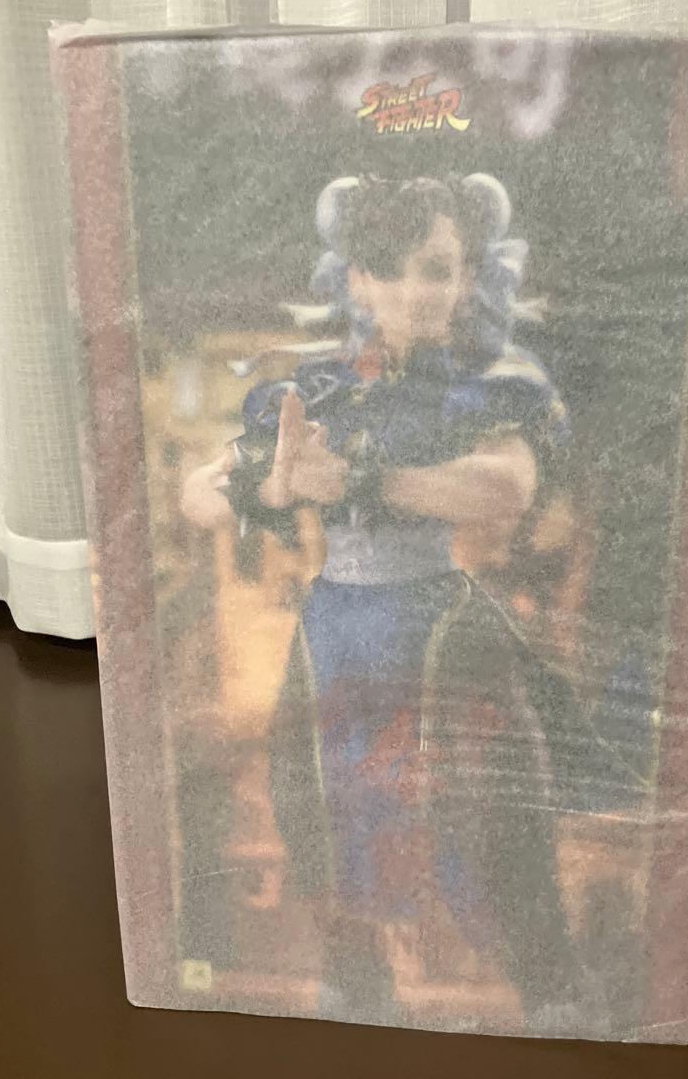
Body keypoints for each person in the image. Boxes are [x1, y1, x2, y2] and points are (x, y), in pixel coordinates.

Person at [181, 174, 578, 1026]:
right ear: (356, 280)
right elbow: (199, 495)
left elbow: (505, 488)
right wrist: (271, 484)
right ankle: (355, 984)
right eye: (387, 269)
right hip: (336, 633)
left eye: (435, 268)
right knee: (313, 804)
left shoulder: (492, 380)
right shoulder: (317, 390)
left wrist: (363, 478)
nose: (412, 290)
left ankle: (552, 995)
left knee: (496, 811)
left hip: (440, 621)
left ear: (467, 278)